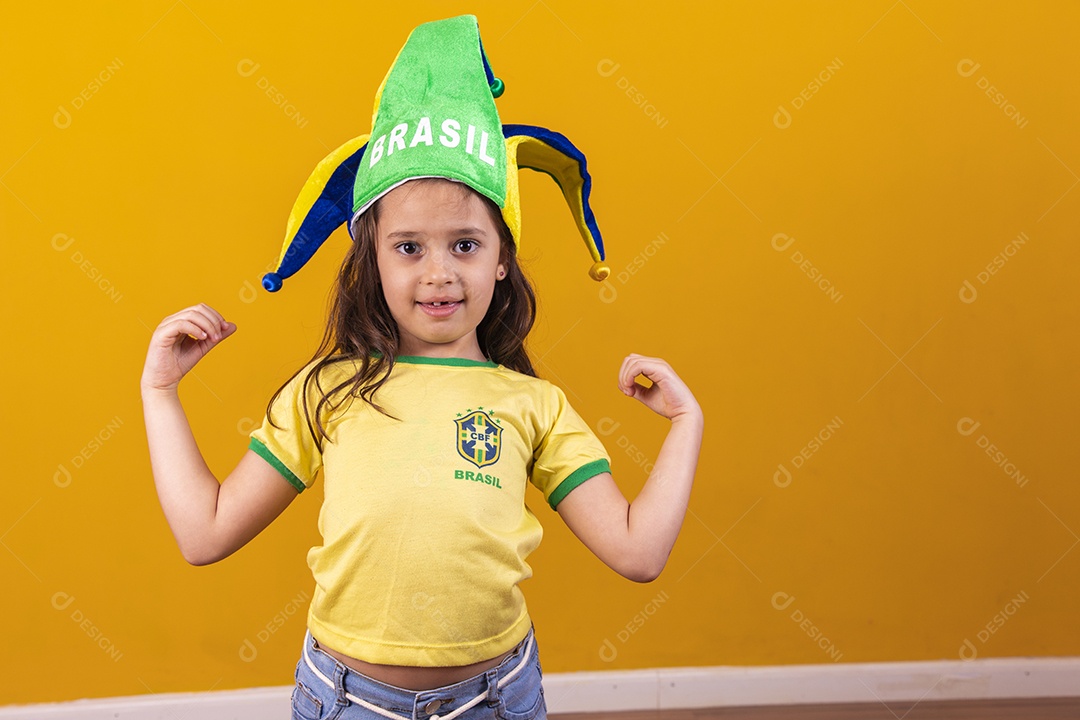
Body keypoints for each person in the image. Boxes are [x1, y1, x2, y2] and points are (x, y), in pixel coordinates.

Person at [141, 15, 702, 720]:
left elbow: (637, 551)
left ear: (503, 259)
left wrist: (684, 421)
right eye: (408, 247)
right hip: (345, 702)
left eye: (464, 244)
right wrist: (161, 392)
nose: (439, 272)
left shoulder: (535, 407)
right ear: (371, 261)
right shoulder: (328, 391)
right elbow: (205, 533)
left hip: (495, 700)